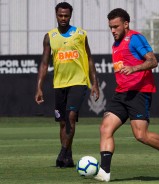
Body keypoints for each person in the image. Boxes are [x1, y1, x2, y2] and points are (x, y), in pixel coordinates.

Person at [94, 8, 159, 182]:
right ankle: (104, 172)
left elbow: (153, 60)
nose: (113, 31)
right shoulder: (115, 44)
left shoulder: (135, 38)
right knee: (105, 128)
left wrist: (134, 68)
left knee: (141, 135)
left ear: (126, 24)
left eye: (116, 26)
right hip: (121, 94)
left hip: (140, 93)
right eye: (110, 27)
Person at [35, 2, 99, 168]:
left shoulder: (80, 34)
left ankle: (62, 153)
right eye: (60, 15)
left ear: (70, 15)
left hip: (78, 82)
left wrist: (95, 83)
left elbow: (90, 58)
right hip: (59, 84)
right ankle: (68, 157)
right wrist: (39, 87)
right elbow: (44, 63)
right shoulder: (50, 37)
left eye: (66, 15)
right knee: (63, 122)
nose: (63, 18)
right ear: (56, 15)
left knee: (71, 116)